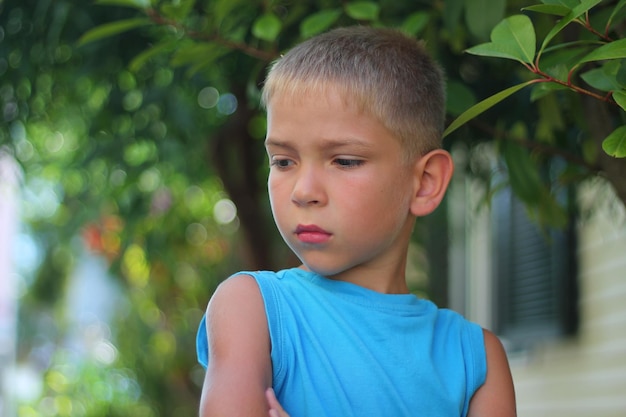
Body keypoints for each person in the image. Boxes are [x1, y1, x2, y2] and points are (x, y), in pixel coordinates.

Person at [196, 26, 516, 417]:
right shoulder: (251, 309)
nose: (303, 191)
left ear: (425, 183)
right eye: (283, 161)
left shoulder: (476, 359)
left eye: (344, 161)